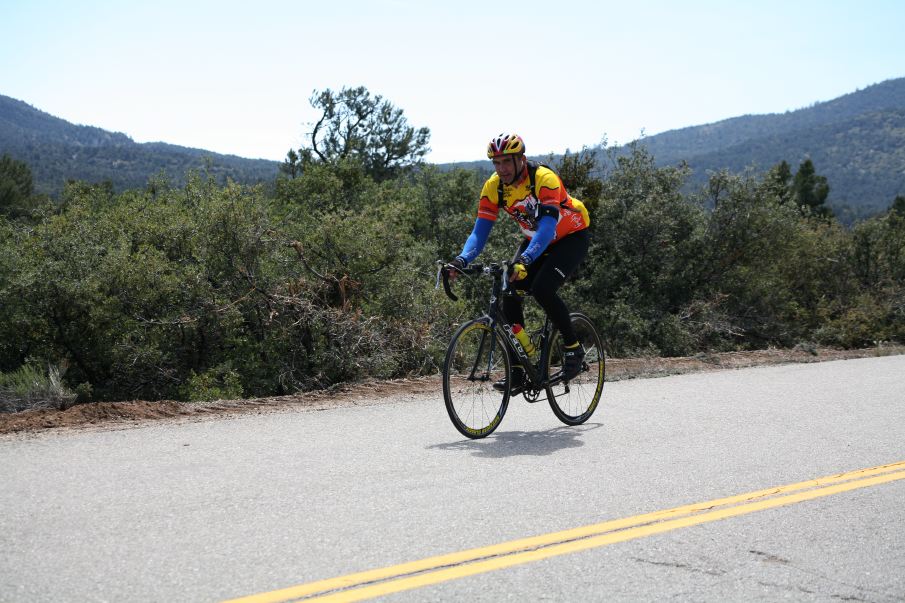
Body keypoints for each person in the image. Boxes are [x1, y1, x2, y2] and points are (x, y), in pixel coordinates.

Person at [449, 133, 591, 391]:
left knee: (542, 289)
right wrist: (461, 259)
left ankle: (573, 349)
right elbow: (479, 232)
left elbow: (547, 227)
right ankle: (518, 369)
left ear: (521, 160)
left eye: (506, 161)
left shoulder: (544, 179)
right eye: (496, 162)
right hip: (535, 240)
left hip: (570, 236)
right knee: (509, 292)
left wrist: (525, 259)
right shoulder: (494, 187)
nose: (501, 168)